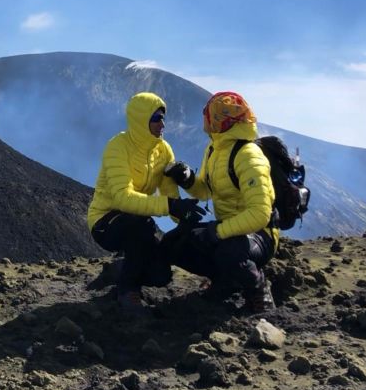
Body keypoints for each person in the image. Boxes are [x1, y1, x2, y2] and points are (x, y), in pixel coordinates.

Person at [88, 92, 205, 314]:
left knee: (160, 276)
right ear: (141, 120)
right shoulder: (118, 146)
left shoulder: (163, 150)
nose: (162, 123)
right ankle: (126, 290)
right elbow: (123, 198)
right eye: (156, 118)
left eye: (163, 117)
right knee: (138, 226)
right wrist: (170, 206)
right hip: (106, 221)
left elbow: (170, 193)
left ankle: (120, 269)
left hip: (138, 220)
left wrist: (184, 215)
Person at [163, 91, 278, 312]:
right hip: (229, 229)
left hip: (260, 234)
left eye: (209, 116)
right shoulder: (215, 149)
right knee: (174, 243)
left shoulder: (249, 156)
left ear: (219, 120)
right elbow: (206, 190)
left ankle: (259, 289)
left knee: (229, 252)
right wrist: (186, 179)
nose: (206, 121)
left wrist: (218, 232)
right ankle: (226, 281)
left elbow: (260, 214)